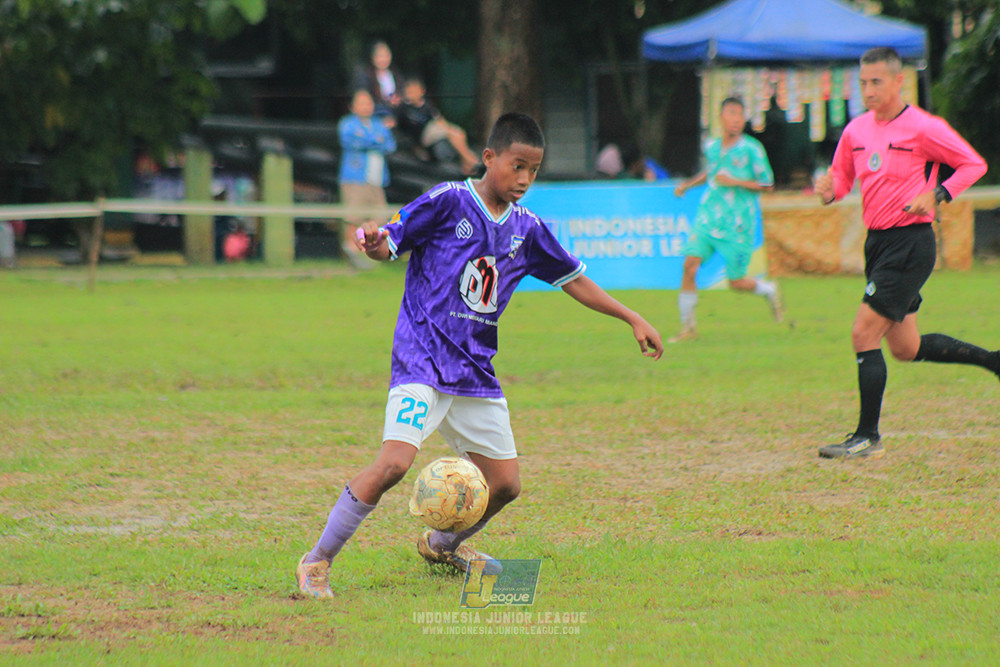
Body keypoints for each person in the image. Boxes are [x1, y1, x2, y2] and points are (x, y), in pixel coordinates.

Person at [295, 112, 664, 599]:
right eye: (517, 166)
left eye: (534, 169)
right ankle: (317, 560)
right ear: (489, 158)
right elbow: (389, 242)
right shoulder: (449, 201)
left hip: (473, 370)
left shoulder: (527, 229)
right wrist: (373, 244)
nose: (525, 179)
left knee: (506, 484)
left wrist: (631, 317)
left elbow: (573, 279)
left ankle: (442, 543)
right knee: (394, 465)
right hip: (422, 358)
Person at [814, 46, 996, 460]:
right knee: (905, 348)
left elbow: (973, 164)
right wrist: (829, 192)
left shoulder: (923, 127)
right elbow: (841, 180)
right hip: (877, 244)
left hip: (910, 242)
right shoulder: (856, 130)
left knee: (863, 332)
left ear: (899, 81)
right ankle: (993, 361)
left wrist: (936, 194)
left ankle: (866, 436)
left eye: (877, 81)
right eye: (863, 83)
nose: (869, 90)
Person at [670, 97, 782, 342]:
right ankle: (688, 328)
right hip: (709, 217)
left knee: (736, 282)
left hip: (738, 223)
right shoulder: (711, 147)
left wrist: (737, 182)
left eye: (740, 115)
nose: (736, 119)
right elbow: (711, 174)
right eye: (731, 113)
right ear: (721, 117)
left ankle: (768, 290)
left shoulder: (752, 149)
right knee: (689, 265)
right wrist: (688, 185)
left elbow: (767, 184)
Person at [337, 89, 397, 268]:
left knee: (379, 216)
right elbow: (351, 141)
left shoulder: (378, 124)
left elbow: (389, 144)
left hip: (376, 177)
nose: (365, 107)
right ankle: (351, 251)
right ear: (353, 106)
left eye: (368, 103)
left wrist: (371, 139)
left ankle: (374, 254)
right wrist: (375, 140)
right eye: (361, 103)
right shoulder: (347, 124)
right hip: (355, 177)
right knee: (354, 216)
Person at [395, 78, 480, 174]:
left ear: (421, 91)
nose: (410, 95)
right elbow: (402, 127)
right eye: (409, 92)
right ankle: (471, 160)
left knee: (459, 133)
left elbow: (439, 119)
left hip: (433, 128)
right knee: (452, 134)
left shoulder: (427, 105)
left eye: (413, 92)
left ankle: (467, 164)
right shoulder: (405, 109)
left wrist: (448, 128)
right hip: (424, 134)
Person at [351, 41, 402, 122]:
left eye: (386, 55)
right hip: (375, 111)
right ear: (373, 58)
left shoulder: (396, 74)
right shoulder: (366, 76)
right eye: (380, 56)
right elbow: (364, 97)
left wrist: (398, 99)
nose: (383, 59)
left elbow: (401, 92)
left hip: (395, 110)